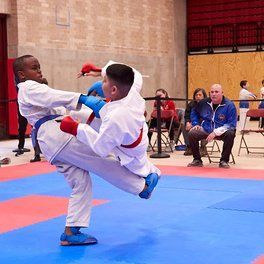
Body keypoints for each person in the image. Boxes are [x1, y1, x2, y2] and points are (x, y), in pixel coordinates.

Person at [14, 55, 160, 246]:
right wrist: (82, 99)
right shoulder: (27, 88)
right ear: (22, 74)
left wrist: (95, 83)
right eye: (35, 68)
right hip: (57, 136)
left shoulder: (34, 89)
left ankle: (71, 230)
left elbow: (55, 102)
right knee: (103, 161)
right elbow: (53, 97)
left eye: (39, 66)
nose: (39, 70)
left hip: (51, 142)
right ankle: (142, 188)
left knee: (80, 183)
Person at [187, 84, 237, 169]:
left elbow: (231, 124)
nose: (214, 94)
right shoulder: (204, 103)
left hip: (222, 131)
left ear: (222, 93)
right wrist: (195, 123)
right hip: (206, 129)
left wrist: (215, 132)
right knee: (192, 133)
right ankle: (197, 160)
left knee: (231, 133)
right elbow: (194, 111)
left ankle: (224, 160)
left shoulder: (229, 105)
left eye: (216, 92)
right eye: (212, 92)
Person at [184, 88, 207, 156]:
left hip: (203, 123)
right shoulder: (191, 104)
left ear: (204, 96)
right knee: (184, 125)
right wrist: (188, 122)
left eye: (200, 95)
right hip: (193, 122)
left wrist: (197, 124)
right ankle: (189, 146)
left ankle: (203, 147)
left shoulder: (208, 104)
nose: (198, 96)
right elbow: (187, 115)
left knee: (205, 127)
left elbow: (206, 117)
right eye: (196, 95)